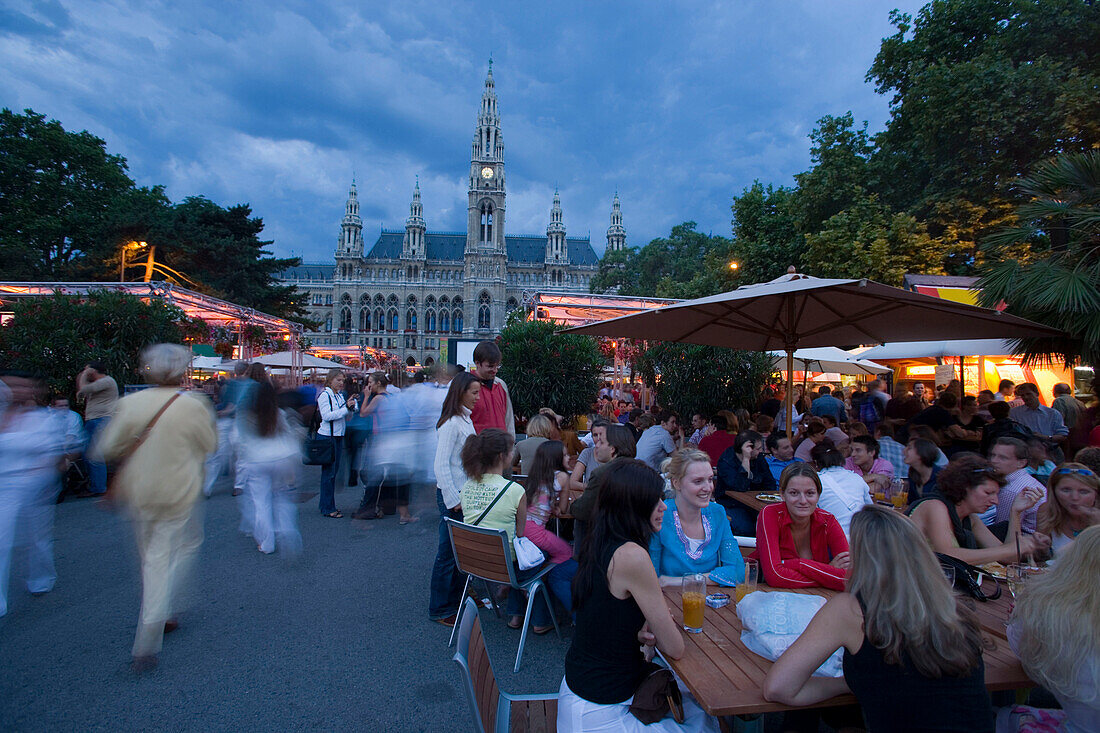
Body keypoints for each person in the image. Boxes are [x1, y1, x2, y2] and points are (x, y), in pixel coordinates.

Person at [764, 505, 996, 733]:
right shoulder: (956, 607)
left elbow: (779, 688)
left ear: (862, 557)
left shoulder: (852, 610)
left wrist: (848, 684)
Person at [558, 459, 718, 732]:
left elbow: (603, 615)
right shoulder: (632, 555)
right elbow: (675, 648)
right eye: (655, 499)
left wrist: (636, 630)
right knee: (707, 719)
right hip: (600, 714)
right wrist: (654, 630)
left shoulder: (601, 540)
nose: (664, 506)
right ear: (633, 505)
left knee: (699, 710)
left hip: (582, 691)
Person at [94, 344, 217, 672]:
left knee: (152, 558)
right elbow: (210, 445)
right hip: (179, 490)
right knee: (181, 550)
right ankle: (152, 628)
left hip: (139, 492)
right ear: (181, 371)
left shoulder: (129, 404)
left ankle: (161, 611)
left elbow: (106, 448)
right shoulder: (194, 405)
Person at [460, 429, 564, 634]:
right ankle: (540, 620)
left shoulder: (467, 486)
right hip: (506, 563)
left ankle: (516, 615)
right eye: (511, 450)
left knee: (515, 557)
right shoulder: (514, 490)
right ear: (502, 456)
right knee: (530, 558)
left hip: (475, 562)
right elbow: (520, 532)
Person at [1005, 525, 1100, 733]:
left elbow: (1019, 646)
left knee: (1002, 715)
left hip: (1077, 724)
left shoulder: (1051, 616)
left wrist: (1025, 610)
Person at [0, 373, 68, 617]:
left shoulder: (44, 420)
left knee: (36, 539)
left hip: (36, 487)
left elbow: (53, 455)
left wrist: (37, 479)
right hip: (4, 487)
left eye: (22, 386)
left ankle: (41, 578)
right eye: (11, 385)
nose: (16, 390)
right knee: (2, 540)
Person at [908, 454, 1050, 565]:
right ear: (964, 487)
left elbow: (1009, 558)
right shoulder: (935, 507)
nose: (996, 501)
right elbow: (947, 555)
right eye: (988, 493)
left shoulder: (970, 518)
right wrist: (1012, 548)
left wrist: (1016, 512)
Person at [427, 372, 480, 626]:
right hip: (455, 496)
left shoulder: (463, 420)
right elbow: (441, 465)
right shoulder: (452, 423)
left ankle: (456, 600)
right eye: (474, 393)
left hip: (462, 494)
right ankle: (440, 608)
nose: (478, 398)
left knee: (458, 553)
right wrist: (453, 498)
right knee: (447, 554)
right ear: (461, 393)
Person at [649, 448, 745, 586]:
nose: (708, 488)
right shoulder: (660, 514)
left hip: (711, 603)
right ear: (676, 483)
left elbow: (738, 572)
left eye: (710, 479)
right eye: (698, 481)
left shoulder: (717, 512)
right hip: (668, 602)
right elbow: (652, 578)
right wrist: (713, 578)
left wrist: (682, 581)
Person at [753, 463, 848, 591]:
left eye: (810, 493)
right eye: (794, 493)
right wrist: (828, 572)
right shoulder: (770, 514)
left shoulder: (828, 521)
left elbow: (849, 579)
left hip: (818, 599)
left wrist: (796, 564)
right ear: (782, 494)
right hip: (775, 597)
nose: (803, 500)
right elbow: (774, 576)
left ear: (818, 495)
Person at [237, 379, 302, 555]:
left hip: (256, 461)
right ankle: (288, 533)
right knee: (282, 499)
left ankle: (267, 543)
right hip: (279, 459)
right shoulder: (278, 413)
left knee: (261, 504)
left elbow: (239, 441)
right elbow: (288, 435)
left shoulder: (247, 416)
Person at [522, 440, 578, 613]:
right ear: (556, 458)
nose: (569, 457)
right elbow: (562, 510)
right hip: (536, 531)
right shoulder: (563, 477)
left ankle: (532, 579)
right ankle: (536, 579)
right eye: (566, 454)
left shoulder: (535, 474)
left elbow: (537, 500)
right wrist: (556, 507)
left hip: (522, 526)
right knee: (566, 551)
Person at [314, 369, 357, 518]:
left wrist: (351, 407)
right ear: (330, 380)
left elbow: (346, 416)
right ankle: (327, 507)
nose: (341, 383)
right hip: (327, 437)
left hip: (338, 436)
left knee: (332, 473)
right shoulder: (325, 395)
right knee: (329, 474)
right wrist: (345, 408)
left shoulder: (338, 396)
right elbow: (326, 416)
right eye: (338, 380)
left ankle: (326, 505)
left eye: (342, 380)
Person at [716, 430, 776, 536]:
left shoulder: (759, 458)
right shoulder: (726, 460)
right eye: (757, 449)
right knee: (747, 529)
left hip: (755, 504)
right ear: (747, 448)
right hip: (731, 504)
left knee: (771, 525)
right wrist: (746, 460)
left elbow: (770, 483)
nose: (760, 451)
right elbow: (740, 486)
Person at [76, 360, 119, 497]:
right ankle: (95, 484)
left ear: (93, 371)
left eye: (87, 370)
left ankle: (98, 487)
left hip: (101, 420)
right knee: (88, 453)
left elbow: (83, 389)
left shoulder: (107, 381)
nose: (84, 373)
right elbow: (80, 394)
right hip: (94, 420)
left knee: (95, 454)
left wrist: (84, 374)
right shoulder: (97, 384)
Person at [1038, 463, 1100, 558]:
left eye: (1083, 492)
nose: (1074, 497)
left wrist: (1096, 529)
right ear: (1054, 492)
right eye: (1066, 490)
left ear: (1096, 494)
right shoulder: (1046, 511)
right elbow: (1042, 559)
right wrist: (1042, 549)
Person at [987, 437, 1047, 534]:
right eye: (993, 455)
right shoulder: (1023, 479)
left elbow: (1002, 530)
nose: (994, 460)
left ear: (1021, 463)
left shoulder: (1011, 490)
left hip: (1027, 542)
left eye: (1002, 458)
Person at [812, 443, 872, 538]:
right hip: (862, 536)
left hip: (835, 539)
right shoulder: (857, 477)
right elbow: (869, 508)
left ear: (816, 463)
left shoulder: (815, 482)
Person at [1011, 382, 1069, 462]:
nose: (1026, 397)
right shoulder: (1015, 413)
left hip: (1050, 453)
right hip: (1027, 455)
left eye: (1028, 394)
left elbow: (1062, 435)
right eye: (1023, 395)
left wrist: (1045, 437)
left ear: (1037, 394)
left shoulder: (1052, 413)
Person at [468, 341, 515, 437]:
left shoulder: (501, 385)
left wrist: (511, 443)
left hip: (501, 447)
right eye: (490, 366)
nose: (495, 370)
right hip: (477, 448)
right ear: (477, 363)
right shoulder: (465, 386)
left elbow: (508, 419)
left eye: (497, 366)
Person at [905, 438, 942, 504]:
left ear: (921, 452)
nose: (904, 451)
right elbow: (911, 501)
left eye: (909, 448)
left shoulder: (941, 476)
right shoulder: (913, 474)